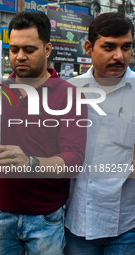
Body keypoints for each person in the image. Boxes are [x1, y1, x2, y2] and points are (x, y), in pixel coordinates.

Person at [0, 11, 87, 255]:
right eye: (14, 49)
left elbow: (74, 159)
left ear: (47, 49)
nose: (19, 56)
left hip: (46, 220)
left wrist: (30, 163)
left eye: (29, 49)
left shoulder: (69, 95)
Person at [65, 12, 135, 255]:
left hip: (126, 225)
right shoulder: (69, 91)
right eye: (109, 47)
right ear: (88, 47)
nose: (119, 56)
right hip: (77, 222)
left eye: (126, 47)